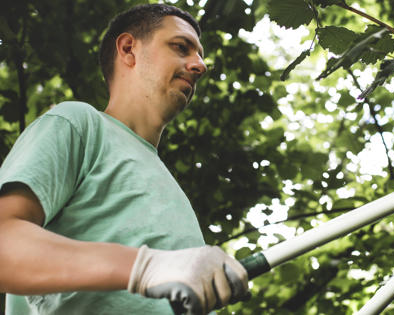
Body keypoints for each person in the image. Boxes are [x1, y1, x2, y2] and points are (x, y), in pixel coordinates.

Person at [0, 4, 248, 315]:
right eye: (181, 47)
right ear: (128, 49)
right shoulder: (78, 123)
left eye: (200, 56)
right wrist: (147, 267)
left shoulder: (171, 188)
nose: (200, 65)